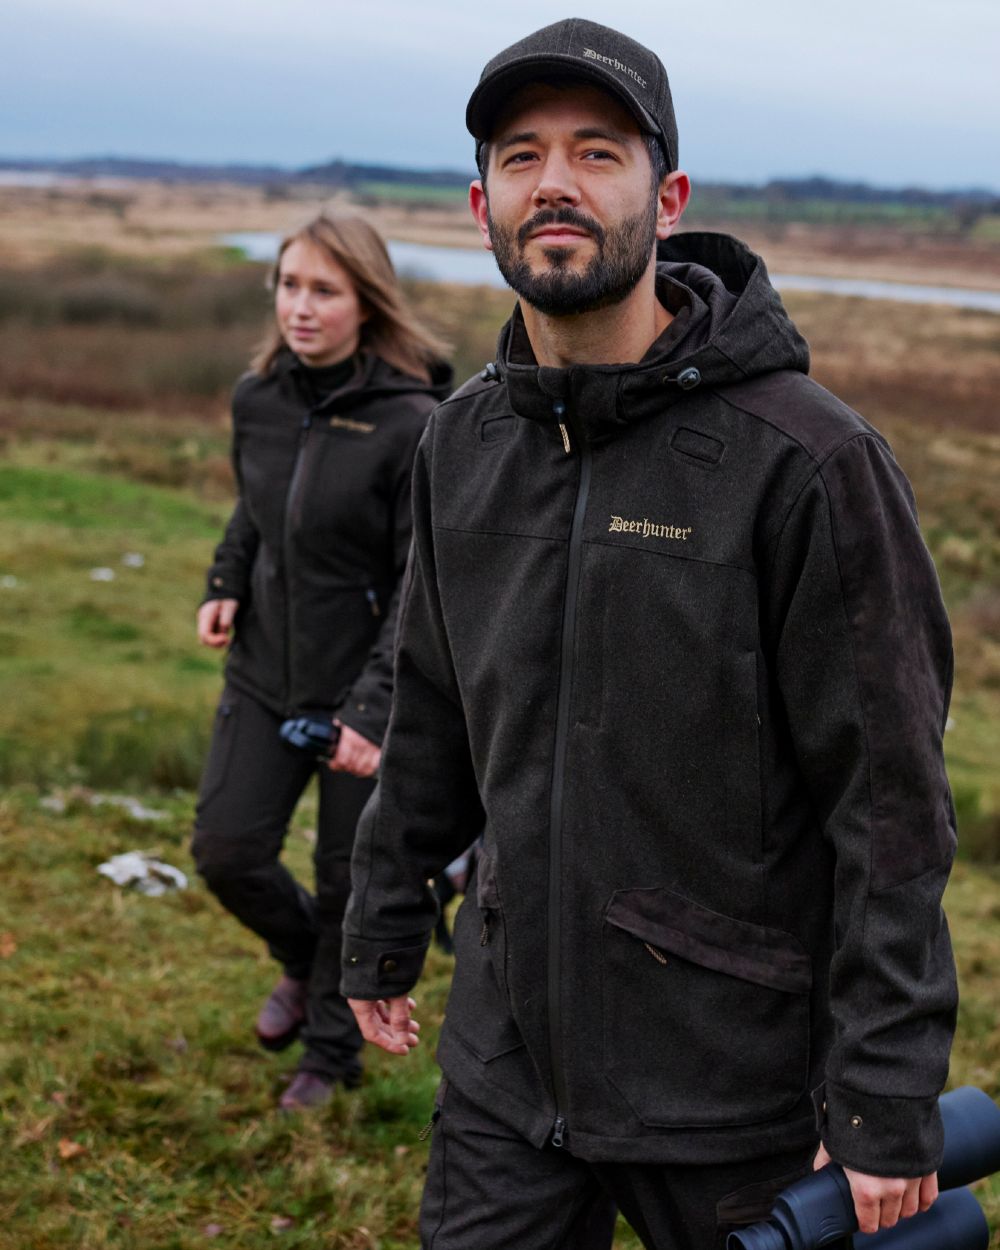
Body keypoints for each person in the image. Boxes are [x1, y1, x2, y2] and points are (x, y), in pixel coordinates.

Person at [340, 18, 959, 1249]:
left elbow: (887, 806)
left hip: (733, 1086)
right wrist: (378, 920)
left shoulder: (808, 462)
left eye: (597, 152)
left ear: (664, 195)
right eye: (521, 156)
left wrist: (885, 1084)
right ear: (480, 204)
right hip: (510, 1062)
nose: (554, 183)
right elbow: (433, 703)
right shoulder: (458, 445)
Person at [191, 211, 451, 1111]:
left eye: (324, 291)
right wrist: (225, 578)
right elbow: (255, 508)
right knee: (226, 851)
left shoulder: (412, 422)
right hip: (265, 672)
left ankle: (330, 1059)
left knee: (351, 882)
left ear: (366, 303)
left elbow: (422, 580)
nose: (301, 308)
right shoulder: (256, 397)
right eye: (289, 286)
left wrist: (373, 710)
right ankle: (305, 962)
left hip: (360, 697)